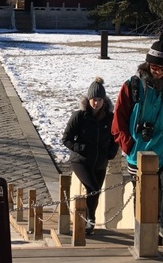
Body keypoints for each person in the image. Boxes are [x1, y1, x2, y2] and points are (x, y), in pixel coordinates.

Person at [111, 32, 163, 246]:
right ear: (146, 65)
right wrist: (128, 145)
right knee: (144, 198)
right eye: (154, 68)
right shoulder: (131, 86)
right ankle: (146, 237)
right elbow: (118, 119)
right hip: (137, 152)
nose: (158, 72)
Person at [62, 76, 119, 235]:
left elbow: (116, 137)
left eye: (100, 99)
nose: (97, 103)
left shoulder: (109, 117)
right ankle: (90, 220)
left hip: (100, 162)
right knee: (93, 188)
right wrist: (81, 148)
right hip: (81, 161)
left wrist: (111, 152)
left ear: (104, 100)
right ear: (89, 99)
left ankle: (89, 220)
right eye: (94, 99)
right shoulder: (79, 116)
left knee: (96, 191)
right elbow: (66, 139)